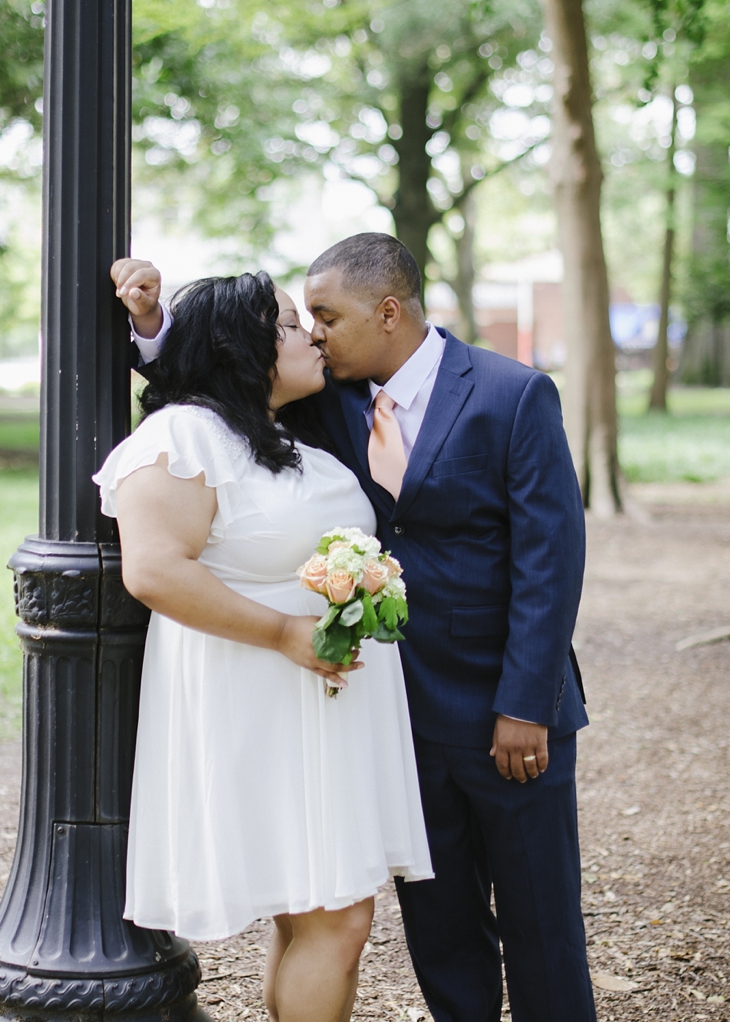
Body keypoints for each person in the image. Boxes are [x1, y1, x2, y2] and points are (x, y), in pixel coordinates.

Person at [113, 233, 596, 1022]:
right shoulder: (325, 401)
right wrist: (154, 324)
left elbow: (552, 559)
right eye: (302, 321)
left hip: (508, 708)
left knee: (542, 921)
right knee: (440, 929)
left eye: (326, 317)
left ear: (389, 310)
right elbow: (216, 380)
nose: (316, 333)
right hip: (398, 714)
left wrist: (526, 702)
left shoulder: (514, 393)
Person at [93, 270, 433, 1022]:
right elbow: (154, 569)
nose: (310, 332)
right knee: (339, 918)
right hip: (255, 699)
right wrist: (286, 631)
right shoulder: (182, 435)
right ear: (239, 346)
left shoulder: (283, 432)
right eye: (287, 323)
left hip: (320, 706)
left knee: (313, 908)